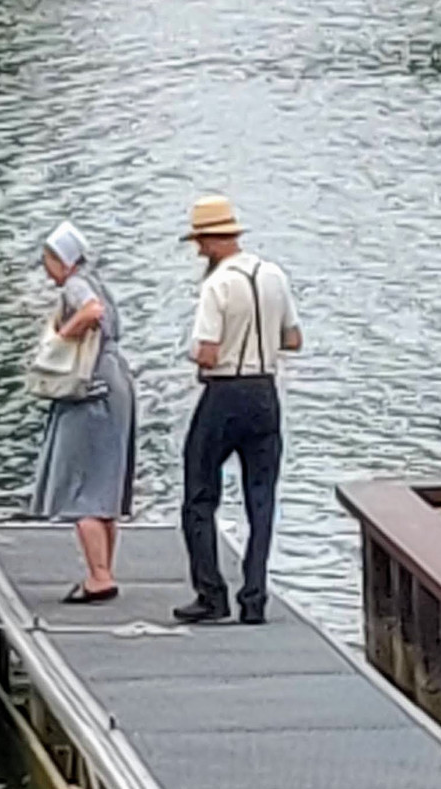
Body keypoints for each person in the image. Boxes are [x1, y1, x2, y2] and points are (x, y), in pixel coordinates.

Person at [173, 195, 302, 625]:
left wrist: (192, 352)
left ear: (210, 241)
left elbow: (208, 354)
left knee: (199, 493)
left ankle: (211, 595)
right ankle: (254, 598)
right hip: (265, 393)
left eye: (199, 243)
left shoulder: (217, 285)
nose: (198, 251)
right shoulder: (273, 274)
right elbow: (294, 340)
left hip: (225, 393)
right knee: (261, 499)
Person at [31, 221, 137, 603]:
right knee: (106, 480)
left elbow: (91, 312)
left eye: (48, 259)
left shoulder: (77, 285)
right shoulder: (100, 280)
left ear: (63, 260)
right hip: (116, 380)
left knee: (83, 481)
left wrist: (60, 340)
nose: (45, 268)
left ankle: (98, 576)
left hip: (91, 386)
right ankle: (104, 568)